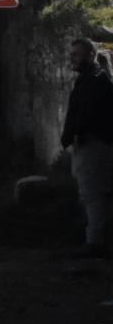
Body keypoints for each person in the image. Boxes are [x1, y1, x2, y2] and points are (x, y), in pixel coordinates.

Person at [61, 37, 113, 258]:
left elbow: (88, 113)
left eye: (76, 54)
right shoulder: (89, 79)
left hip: (94, 143)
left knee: (94, 194)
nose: (72, 58)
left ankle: (95, 242)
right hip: (88, 142)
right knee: (91, 193)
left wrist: (78, 134)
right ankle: (92, 238)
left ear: (90, 55)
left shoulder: (96, 80)